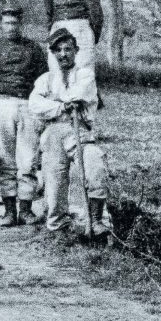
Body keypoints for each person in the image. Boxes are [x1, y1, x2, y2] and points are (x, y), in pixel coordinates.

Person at [29, 27, 112, 241]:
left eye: (68, 49)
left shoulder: (85, 74)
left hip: (79, 130)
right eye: (58, 50)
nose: (63, 54)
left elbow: (79, 95)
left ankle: (95, 220)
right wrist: (61, 107)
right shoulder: (45, 79)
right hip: (53, 132)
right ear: (53, 53)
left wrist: (56, 102)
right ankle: (59, 227)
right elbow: (35, 105)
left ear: (76, 50)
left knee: (95, 167)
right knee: (55, 183)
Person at [0, 5, 47, 227]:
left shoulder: (33, 49)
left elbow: (43, 81)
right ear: (1, 25)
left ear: (21, 24)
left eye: (14, 23)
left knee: (27, 160)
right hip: (0, 105)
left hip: (28, 105)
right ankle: (9, 211)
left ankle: (25, 210)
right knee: (4, 159)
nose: (10, 27)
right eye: (6, 23)